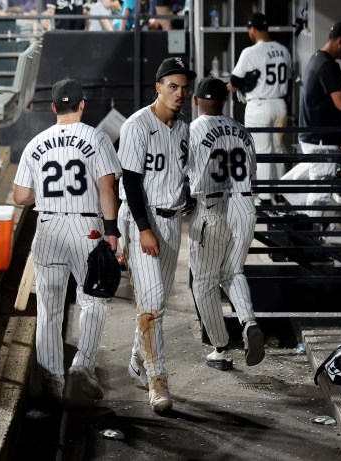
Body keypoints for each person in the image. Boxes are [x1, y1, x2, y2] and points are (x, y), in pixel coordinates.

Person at [13, 79, 122, 405]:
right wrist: (112, 231)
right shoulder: (96, 137)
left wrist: (42, 193)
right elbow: (107, 190)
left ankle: (52, 383)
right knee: (93, 298)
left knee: (48, 309)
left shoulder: (36, 143)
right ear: (82, 105)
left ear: (53, 108)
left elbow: (20, 197)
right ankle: (83, 364)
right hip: (85, 227)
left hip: (47, 226)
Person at [118, 57, 196, 413]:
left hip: (171, 222)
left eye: (184, 87)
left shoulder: (184, 128)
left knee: (157, 303)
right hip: (142, 221)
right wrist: (143, 230)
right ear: (158, 88)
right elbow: (131, 182)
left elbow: (183, 175)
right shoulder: (137, 125)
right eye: (173, 86)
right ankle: (157, 378)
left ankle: (138, 358)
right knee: (149, 305)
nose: (180, 93)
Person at [188, 77, 265, 371]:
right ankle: (248, 322)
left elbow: (186, 178)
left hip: (212, 205)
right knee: (233, 271)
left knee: (205, 282)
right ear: (224, 101)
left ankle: (220, 348)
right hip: (244, 205)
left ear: (196, 100)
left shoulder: (193, 130)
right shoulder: (242, 131)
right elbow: (252, 170)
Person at [282, 21, 341, 217]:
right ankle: (311, 238)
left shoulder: (317, 59)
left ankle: (300, 224)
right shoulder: (327, 65)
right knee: (320, 192)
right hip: (321, 140)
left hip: (313, 137)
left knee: (289, 185)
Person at [227, 12, 292, 203]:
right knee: (278, 150)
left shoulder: (250, 52)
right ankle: (281, 194)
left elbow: (234, 81)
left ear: (252, 30)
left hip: (260, 105)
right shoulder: (283, 50)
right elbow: (286, 78)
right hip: (280, 103)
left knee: (263, 151)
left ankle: (264, 197)